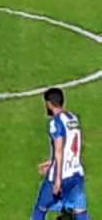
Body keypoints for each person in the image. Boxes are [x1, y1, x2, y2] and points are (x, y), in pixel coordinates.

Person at [31, 88, 89, 220]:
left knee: (40, 210)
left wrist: (57, 179)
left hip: (60, 176)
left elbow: (59, 150)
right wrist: (51, 162)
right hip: (77, 173)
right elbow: (73, 147)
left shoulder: (55, 122)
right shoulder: (74, 119)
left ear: (49, 104)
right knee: (81, 212)